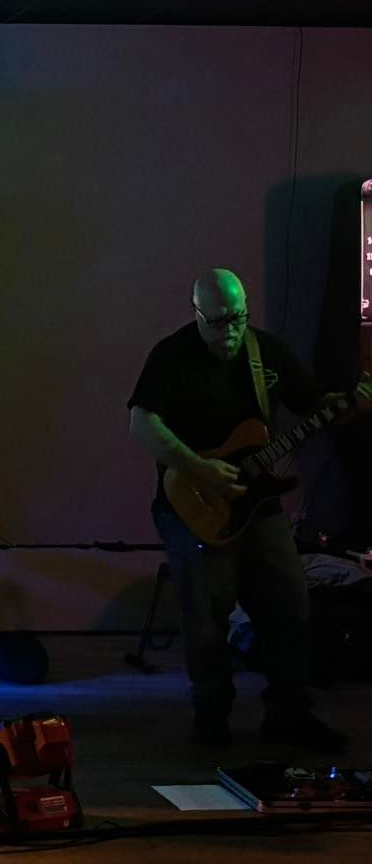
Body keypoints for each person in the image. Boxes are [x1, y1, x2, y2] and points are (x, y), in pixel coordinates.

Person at [129, 267, 372, 750]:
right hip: (190, 504)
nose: (230, 330)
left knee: (289, 608)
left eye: (237, 318)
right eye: (217, 321)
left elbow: (312, 404)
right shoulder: (172, 356)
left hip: (259, 507)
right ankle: (212, 718)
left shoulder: (268, 353)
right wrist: (199, 468)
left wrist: (353, 405)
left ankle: (289, 714)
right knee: (205, 617)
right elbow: (142, 424)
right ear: (197, 313)